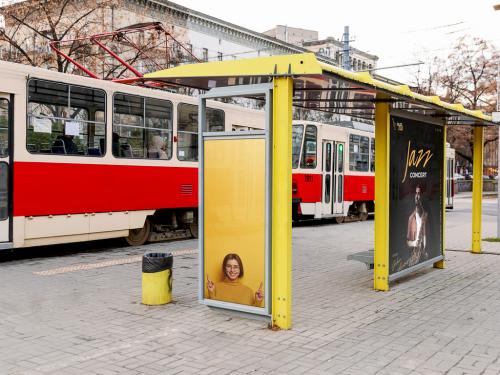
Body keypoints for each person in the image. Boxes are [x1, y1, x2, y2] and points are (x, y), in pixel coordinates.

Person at [406, 185, 428, 255]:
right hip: (417, 213)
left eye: (419, 190)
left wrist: (423, 213)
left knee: (422, 229)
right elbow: (414, 205)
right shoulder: (415, 196)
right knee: (417, 227)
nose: (418, 191)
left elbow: (422, 206)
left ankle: (422, 247)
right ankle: (415, 244)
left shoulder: (422, 197)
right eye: (417, 190)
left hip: (421, 213)